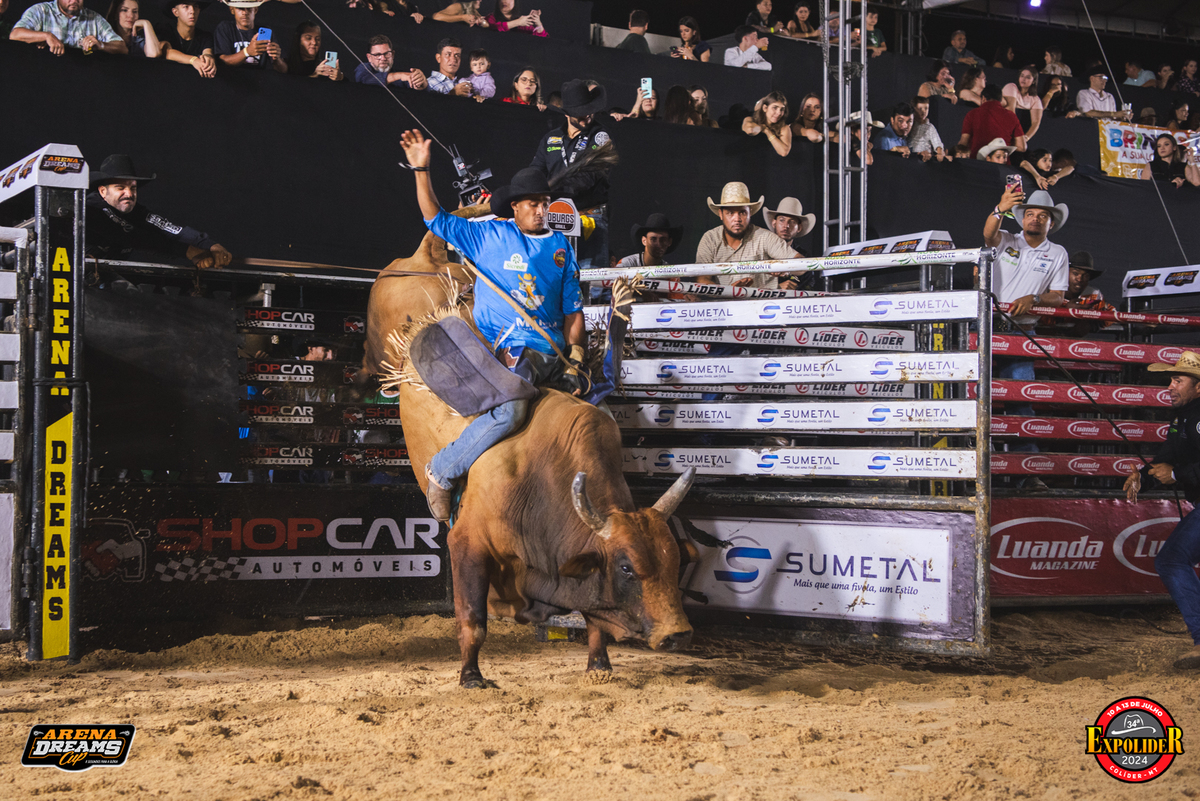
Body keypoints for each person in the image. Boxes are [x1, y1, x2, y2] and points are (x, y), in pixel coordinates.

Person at [399, 129, 585, 520]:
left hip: (553, 355)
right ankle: (443, 470)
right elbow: (434, 218)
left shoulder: (561, 248)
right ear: (514, 207)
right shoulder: (487, 235)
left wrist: (578, 356)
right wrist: (421, 170)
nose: (540, 210)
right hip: (509, 351)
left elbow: (573, 311)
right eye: (532, 204)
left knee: (592, 414)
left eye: (545, 203)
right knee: (512, 412)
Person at [984, 186, 1069, 489]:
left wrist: (1034, 298)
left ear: (1051, 222)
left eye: (1042, 216)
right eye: (1030, 214)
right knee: (978, 396)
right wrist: (1000, 208)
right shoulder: (1007, 239)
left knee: (1020, 400)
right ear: (1021, 218)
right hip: (989, 326)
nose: (1035, 219)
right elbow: (988, 235)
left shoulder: (1057, 253)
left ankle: (1026, 472)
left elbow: (1058, 296)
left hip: (1022, 330)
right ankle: (978, 467)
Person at [1125, 350, 1200, 671]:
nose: (1170, 386)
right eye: (1171, 379)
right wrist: (1143, 477)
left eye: (1178, 380)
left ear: (1198, 387)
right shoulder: (1183, 417)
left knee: (1171, 560)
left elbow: (1175, 468)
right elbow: (1167, 459)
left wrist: (1178, 475)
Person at [86, 154, 233, 269]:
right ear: (103, 191)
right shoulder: (90, 209)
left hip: (106, 277)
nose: (129, 194)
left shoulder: (136, 212)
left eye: (133, 188)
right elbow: (133, 237)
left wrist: (210, 245)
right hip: (78, 281)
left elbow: (167, 228)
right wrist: (189, 251)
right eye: (120, 188)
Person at [695, 182, 800, 290]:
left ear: (750, 213)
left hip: (760, 301)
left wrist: (785, 267)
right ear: (721, 214)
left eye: (743, 212)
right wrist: (729, 291)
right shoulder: (710, 239)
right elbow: (702, 279)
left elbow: (801, 264)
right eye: (730, 213)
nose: (737, 219)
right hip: (723, 300)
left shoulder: (765, 237)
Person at [530, 79, 614, 212]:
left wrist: (551, 187)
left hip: (588, 213)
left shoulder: (600, 135)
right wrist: (531, 187)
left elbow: (590, 176)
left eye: (590, 110)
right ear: (567, 113)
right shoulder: (550, 137)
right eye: (581, 112)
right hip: (554, 210)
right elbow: (536, 170)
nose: (587, 115)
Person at [12, 0, 127, 54]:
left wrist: (101, 45)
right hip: (45, 79)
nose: (74, 0)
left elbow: (122, 48)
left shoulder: (94, 18)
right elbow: (15, 34)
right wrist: (46, 36)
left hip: (81, 81)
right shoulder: (41, 11)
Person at [214, 0, 285, 73]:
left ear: (255, 10)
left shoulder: (266, 31)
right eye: (240, 8)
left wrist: (277, 59)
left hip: (261, 77)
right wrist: (247, 52)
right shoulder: (225, 28)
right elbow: (222, 61)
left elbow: (283, 70)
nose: (245, 13)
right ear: (232, 10)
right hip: (233, 77)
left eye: (249, 8)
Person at [959, 84, 1025, 158]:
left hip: (976, 160)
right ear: (1000, 100)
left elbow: (963, 142)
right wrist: (1004, 144)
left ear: (983, 98)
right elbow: (1022, 147)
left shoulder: (972, 114)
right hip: (1001, 163)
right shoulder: (1011, 116)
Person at [159, 0, 216, 78]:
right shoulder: (165, 30)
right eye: (186, 7)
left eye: (195, 6)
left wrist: (208, 59)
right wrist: (193, 60)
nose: (192, 11)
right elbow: (166, 52)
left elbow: (207, 52)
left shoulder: (205, 36)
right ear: (175, 12)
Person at [354, 35, 426, 89]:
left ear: (393, 54)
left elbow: (416, 87)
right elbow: (366, 81)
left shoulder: (401, 76)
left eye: (387, 54)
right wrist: (399, 76)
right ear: (369, 57)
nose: (383, 58)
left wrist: (421, 81)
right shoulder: (363, 68)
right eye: (377, 55)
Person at [616, 213, 681, 270]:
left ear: (669, 242)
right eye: (653, 239)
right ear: (644, 240)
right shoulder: (626, 264)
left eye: (663, 239)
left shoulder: (670, 271)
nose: (658, 244)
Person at [762, 197, 816, 264]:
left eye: (792, 222)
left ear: (799, 228)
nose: (786, 226)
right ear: (774, 223)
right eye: (782, 220)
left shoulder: (804, 256)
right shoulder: (762, 251)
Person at [742, 91, 792, 156]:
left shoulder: (784, 128)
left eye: (782, 109)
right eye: (775, 108)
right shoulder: (750, 119)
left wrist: (767, 131)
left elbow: (783, 152)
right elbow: (751, 130)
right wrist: (761, 127)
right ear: (765, 108)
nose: (779, 113)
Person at [1003, 66, 1044, 141]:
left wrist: (1026, 138)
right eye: (1022, 76)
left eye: (1028, 77)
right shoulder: (1011, 87)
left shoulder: (1035, 99)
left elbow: (1036, 122)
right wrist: (1015, 135)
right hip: (1004, 127)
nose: (1023, 79)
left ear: (1034, 81)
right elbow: (1010, 111)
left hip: (1019, 133)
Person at [907, 96, 948, 161]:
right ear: (914, 109)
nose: (924, 111)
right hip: (910, 157)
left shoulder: (930, 127)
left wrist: (940, 152)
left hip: (925, 158)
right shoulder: (909, 124)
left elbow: (937, 142)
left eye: (926, 108)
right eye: (920, 109)